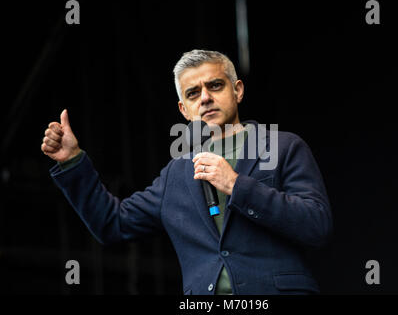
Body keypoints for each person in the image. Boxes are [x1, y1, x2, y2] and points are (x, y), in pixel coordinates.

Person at [41, 49, 332, 295]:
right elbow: (113, 224)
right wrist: (72, 161)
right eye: (193, 93)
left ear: (238, 90)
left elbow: (316, 225)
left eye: (215, 86)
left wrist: (236, 184)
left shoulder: (282, 147)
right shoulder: (176, 174)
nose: (205, 98)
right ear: (184, 109)